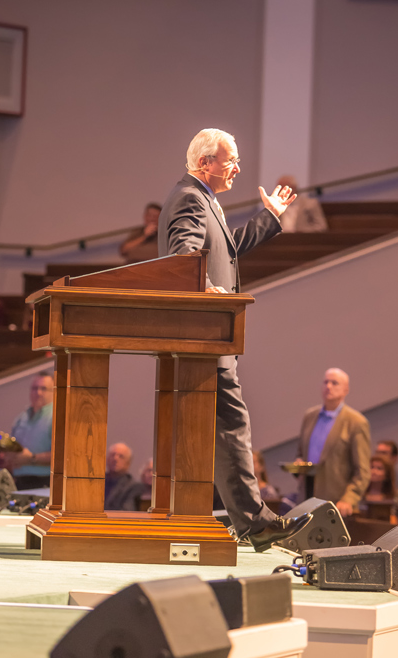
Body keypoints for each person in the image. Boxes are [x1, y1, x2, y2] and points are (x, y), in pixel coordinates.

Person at [158, 128, 311, 551]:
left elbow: (227, 250)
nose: (238, 168)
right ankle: (253, 522)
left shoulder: (204, 199)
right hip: (203, 333)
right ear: (206, 162)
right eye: (231, 160)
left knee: (217, 427)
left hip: (207, 334)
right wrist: (205, 289)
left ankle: (242, 521)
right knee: (230, 423)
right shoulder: (191, 198)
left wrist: (271, 218)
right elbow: (182, 255)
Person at [296, 368, 371, 517]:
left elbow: (362, 471)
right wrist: (298, 462)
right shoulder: (310, 416)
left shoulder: (356, 422)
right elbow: (300, 453)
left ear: (346, 389)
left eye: (334, 383)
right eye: (325, 382)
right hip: (307, 494)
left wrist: (349, 498)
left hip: (336, 503)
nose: (328, 386)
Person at [0, 372, 53, 489]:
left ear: (54, 391)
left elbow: (64, 456)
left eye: (44, 388)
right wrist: (6, 453)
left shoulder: (58, 417)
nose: (38, 393)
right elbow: (16, 450)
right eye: (35, 388)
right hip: (21, 481)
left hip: (45, 483)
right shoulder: (21, 418)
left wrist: (31, 459)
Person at [104, 442, 137, 511]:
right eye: (112, 455)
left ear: (128, 463)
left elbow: (126, 511)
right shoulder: (98, 482)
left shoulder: (133, 487)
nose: (115, 459)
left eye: (121, 456)